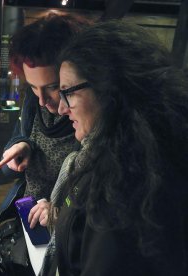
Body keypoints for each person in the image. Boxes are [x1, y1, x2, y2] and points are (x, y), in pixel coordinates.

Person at [49, 20, 188, 275]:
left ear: (109, 88)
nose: (61, 108)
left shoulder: (123, 185)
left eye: (68, 92)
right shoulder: (144, 155)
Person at [0, 12, 91, 275]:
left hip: (61, 236)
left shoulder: (87, 117)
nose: (43, 101)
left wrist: (59, 210)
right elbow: (6, 171)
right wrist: (22, 146)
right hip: (24, 216)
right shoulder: (34, 104)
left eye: (54, 87)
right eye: (33, 89)